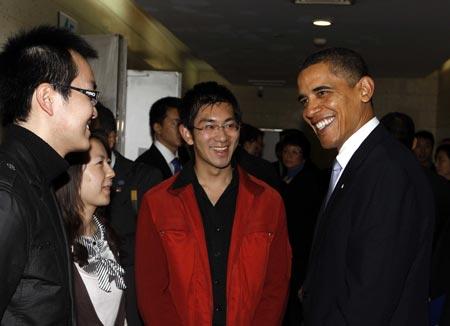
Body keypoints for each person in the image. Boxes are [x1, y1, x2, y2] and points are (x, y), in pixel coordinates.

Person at [135, 81, 291, 325]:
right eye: (209, 126)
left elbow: (276, 286)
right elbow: (151, 291)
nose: (222, 136)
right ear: (187, 133)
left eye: (230, 125)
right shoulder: (158, 202)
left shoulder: (268, 201)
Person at [297, 47, 434, 325]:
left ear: (364, 89)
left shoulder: (387, 170)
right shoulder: (359, 163)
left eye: (322, 93)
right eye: (304, 100)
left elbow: (368, 300)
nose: (310, 111)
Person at [0, 25, 98, 324]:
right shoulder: (9, 191)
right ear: (47, 97)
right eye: (90, 94)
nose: (95, 111)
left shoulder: (41, 177)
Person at [91, 102, 163, 325]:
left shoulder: (142, 176)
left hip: (131, 289)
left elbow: (152, 241)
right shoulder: (67, 180)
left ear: (111, 138)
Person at [56, 133, 126, 325]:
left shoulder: (105, 233)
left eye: (109, 163)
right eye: (100, 163)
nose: (111, 172)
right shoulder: (54, 238)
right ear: (74, 172)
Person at [279, 132, 323, 326]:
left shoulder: (309, 182)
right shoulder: (282, 177)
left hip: (301, 253)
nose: (289, 156)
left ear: (303, 156)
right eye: (286, 151)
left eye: (295, 152)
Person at [135, 96, 188, 179]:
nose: (182, 128)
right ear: (158, 128)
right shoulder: (144, 166)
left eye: (184, 123)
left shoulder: (188, 159)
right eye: (176, 123)